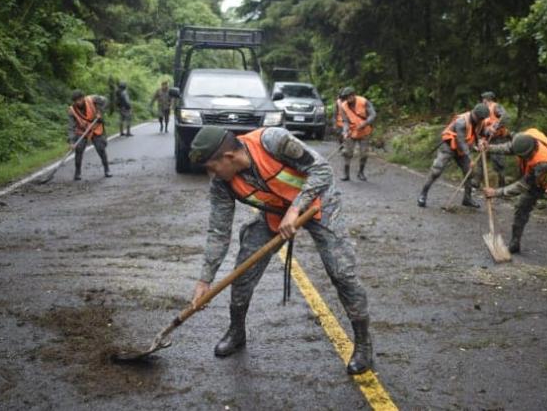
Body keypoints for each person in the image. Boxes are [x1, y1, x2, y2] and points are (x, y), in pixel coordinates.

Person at [188, 125, 373, 375]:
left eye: (212, 168)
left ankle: (363, 344)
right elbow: (219, 231)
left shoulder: (273, 141)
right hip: (275, 211)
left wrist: (296, 208)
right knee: (244, 271)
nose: (212, 175)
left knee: (342, 272)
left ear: (228, 157)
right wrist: (205, 279)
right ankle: (236, 330)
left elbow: (322, 170)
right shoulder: (222, 184)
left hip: (319, 203)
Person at [483, 128, 547, 266]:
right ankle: (514, 242)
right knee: (522, 205)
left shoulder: (542, 161)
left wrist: (496, 192)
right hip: (539, 177)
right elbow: (509, 147)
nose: (526, 158)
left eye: (528, 156)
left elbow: (523, 185)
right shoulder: (525, 139)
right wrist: (488, 147)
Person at [417, 103, 491, 208]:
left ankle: (467, 199)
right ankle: (423, 194)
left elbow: (483, 133)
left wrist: (489, 132)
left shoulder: (481, 121)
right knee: (436, 170)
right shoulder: (461, 121)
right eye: (480, 118)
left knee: (469, 172)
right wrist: (470, 159)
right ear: (474, 114)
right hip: (449, 147)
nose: (481, 120)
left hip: (462, 151)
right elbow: (461, 142)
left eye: (483, 119)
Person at [68, 90, 111, 180]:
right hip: (82, 130)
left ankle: (107, 169)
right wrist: (72, 142)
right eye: (76, 101)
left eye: (79, 100)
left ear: (83, 98)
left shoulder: (93, 99)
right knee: (78, 149)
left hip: (96, 127)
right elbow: (71, 127)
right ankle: (77, 172)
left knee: (100, 148)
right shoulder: (72, 110)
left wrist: (100, 111)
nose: (78, 102)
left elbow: (106, 101)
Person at [338, 87, 376, 181]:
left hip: (364, 131)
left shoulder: (363, 101)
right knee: (347, 152)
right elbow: (345, 121)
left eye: (350, 96)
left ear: (353, 94)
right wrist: (345, 131)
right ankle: (346, 174)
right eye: (346, 97)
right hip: (352, 132)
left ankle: (361, 173)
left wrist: (365, 123)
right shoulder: (343, 106)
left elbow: (373, 114)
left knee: (364, 154)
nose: (348, 98)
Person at [481, 91, 510, 187]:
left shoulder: (496, 107)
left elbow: (505, 116)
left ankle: (502, 187)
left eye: (483, 99)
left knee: (498, 163)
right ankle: (477, 183)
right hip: (487, 138)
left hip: (498, 139)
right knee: (481, 159)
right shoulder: (485, 110)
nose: (482, 101)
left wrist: (495, 127)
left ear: (487, 99)